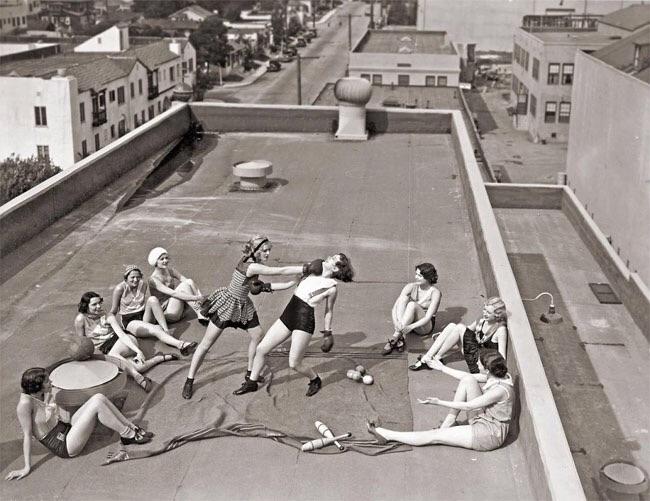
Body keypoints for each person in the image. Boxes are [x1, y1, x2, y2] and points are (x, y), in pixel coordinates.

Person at [181, 235, 304, 399]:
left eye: (269, 250)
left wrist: (291, 283)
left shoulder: (252, 261)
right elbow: (279, 271)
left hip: (243, 304)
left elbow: (264, 286)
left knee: (257, 334)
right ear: (256, 251)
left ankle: (250, 372)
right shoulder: (252, 266)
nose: (268, 254)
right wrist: (304, 268)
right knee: (206, 344)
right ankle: (189, 380)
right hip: (228, 304)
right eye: (265, 250)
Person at [234, 253, 355, 397]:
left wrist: (328, 333)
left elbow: (329, 311)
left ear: (336, 269)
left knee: (294, 364)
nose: (328, 257)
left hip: (304, 321)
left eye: (332, 259)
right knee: (261, 349)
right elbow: (290, 283)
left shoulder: (332, 287)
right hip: (289, 313)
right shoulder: (311, 271)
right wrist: (265, 287)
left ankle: (315, 379)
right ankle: (251, 383)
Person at [5, 368, 153, 480]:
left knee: (98, 397)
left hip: (66, 429)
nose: (51, 383)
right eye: (47, 382)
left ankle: (131, 427)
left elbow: (56, 413)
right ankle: (128, 435)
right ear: (37, 387)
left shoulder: (41, 394)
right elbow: (26, 436)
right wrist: (26, 467)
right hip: (63, 445)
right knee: (96, 406)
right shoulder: (24, 405)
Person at [367, 350, 514, 451]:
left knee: (435, 436)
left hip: (488, 435)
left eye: (479, 362)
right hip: (485, 419)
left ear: (487, 370)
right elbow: (464, 376)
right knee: (468, 379)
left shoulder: (499, 390)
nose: (477, 363)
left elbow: (469, 406)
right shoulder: (497, 375)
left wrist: (439, 402)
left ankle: (387, 435)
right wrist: (441, 368)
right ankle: (447, 424)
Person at [74, 291, 175, 392]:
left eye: (99, 303)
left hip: (125, 342)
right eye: (94, 304)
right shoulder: (80, 320)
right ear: (86, 306)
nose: (99, 306)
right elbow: (82, 342)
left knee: (115, 357)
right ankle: (159, 358)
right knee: (138, 367)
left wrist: (138, 351)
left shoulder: (108, 316)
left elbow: (122, 335)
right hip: (106, 350)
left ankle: (138, 378)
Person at [110, 265, 197, 357]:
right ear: (126, 278)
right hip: (130, 321)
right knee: (156, 329)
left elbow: (151, 302)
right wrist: (110, 324)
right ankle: (181, 345)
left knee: (153, 299)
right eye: (132, 277)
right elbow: (113, 310)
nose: (135, 280)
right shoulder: (119, 289)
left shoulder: (142, 284)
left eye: (138, 277)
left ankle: (166, 331)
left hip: (143, 315)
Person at [409, 296, 507, 373]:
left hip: (480, 364)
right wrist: (446, 334)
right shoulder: (482, 319)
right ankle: (431, 357)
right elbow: (468, 330)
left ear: (497, 315)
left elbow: (502, 357)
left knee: (459, 327)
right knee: (452, 326)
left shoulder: (500, 330)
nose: (484, 313)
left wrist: (491, 372)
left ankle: (434, 358)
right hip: (473, 352)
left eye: (488, 312)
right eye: (484, 310)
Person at [382, 263, 441, 355]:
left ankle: (395, 337)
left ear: (428, 278)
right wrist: (396, 323)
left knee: (412, 305)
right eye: (416, 274)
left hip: (423, 327)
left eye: (420, 276)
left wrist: (410, 327)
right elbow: (395, 308)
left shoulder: (435, 293)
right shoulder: (410, 286)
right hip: (407, 323)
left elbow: (427, 318)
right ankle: (400, 337)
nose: (416, 277)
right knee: (403, 298)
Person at [147, 247, 207, 324]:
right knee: (183, 287)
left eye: (166, 258)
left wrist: (199, 295)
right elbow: (173, 293)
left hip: (178, 308)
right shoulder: (153, 279)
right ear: (155, 261)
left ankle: (200, 307)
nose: (165, 261)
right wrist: (196, 297)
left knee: (189, 281)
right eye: (162, 259)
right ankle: (200, 312)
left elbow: (188, 281)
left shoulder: (170, 271)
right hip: (168, 313)